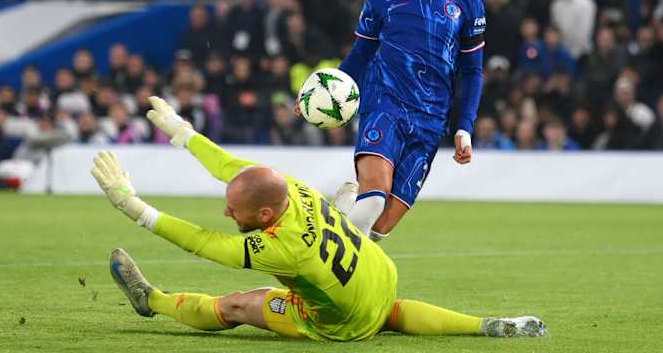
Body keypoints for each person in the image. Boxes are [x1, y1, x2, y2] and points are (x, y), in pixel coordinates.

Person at [92, 96, 547, 341]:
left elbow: (202, 242)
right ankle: (483, 325)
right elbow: (233, 169)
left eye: (236, 211)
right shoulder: (290, 187)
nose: (226, 212)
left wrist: (132, 206)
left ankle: (150, 300)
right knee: (388, 311)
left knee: (235, 304)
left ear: (265, 215)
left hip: (340, 322)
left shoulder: (275, 245)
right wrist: (185, 135)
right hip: (379, 279)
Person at [297, 0, 486, 242]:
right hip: (384, 106)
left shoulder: (468, 1)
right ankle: (317, 266)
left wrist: (464, 126)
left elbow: (472, 71)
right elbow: (361, 54)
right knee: (373, 202)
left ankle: (336, 214)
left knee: (377, 231)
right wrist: (322, 90)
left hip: (431, 122)